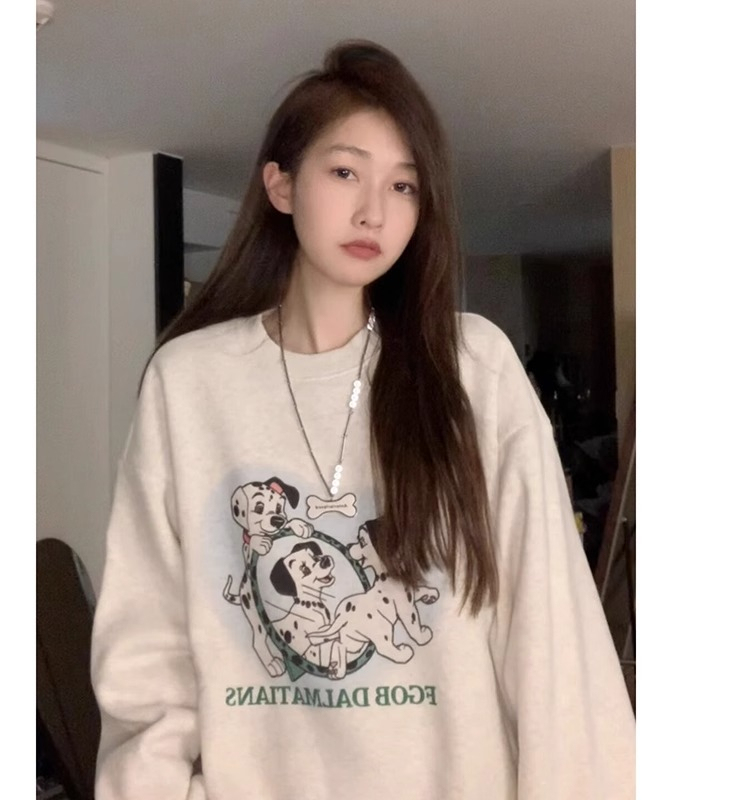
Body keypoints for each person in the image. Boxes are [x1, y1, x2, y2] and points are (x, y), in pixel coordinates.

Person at [91, 40, 635, 800]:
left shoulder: (470, 367)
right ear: (282, 185)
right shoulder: (189, 383)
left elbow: (552, 635)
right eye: (345, 172)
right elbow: (146, 653)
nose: (374, 211)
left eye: (404, 186)